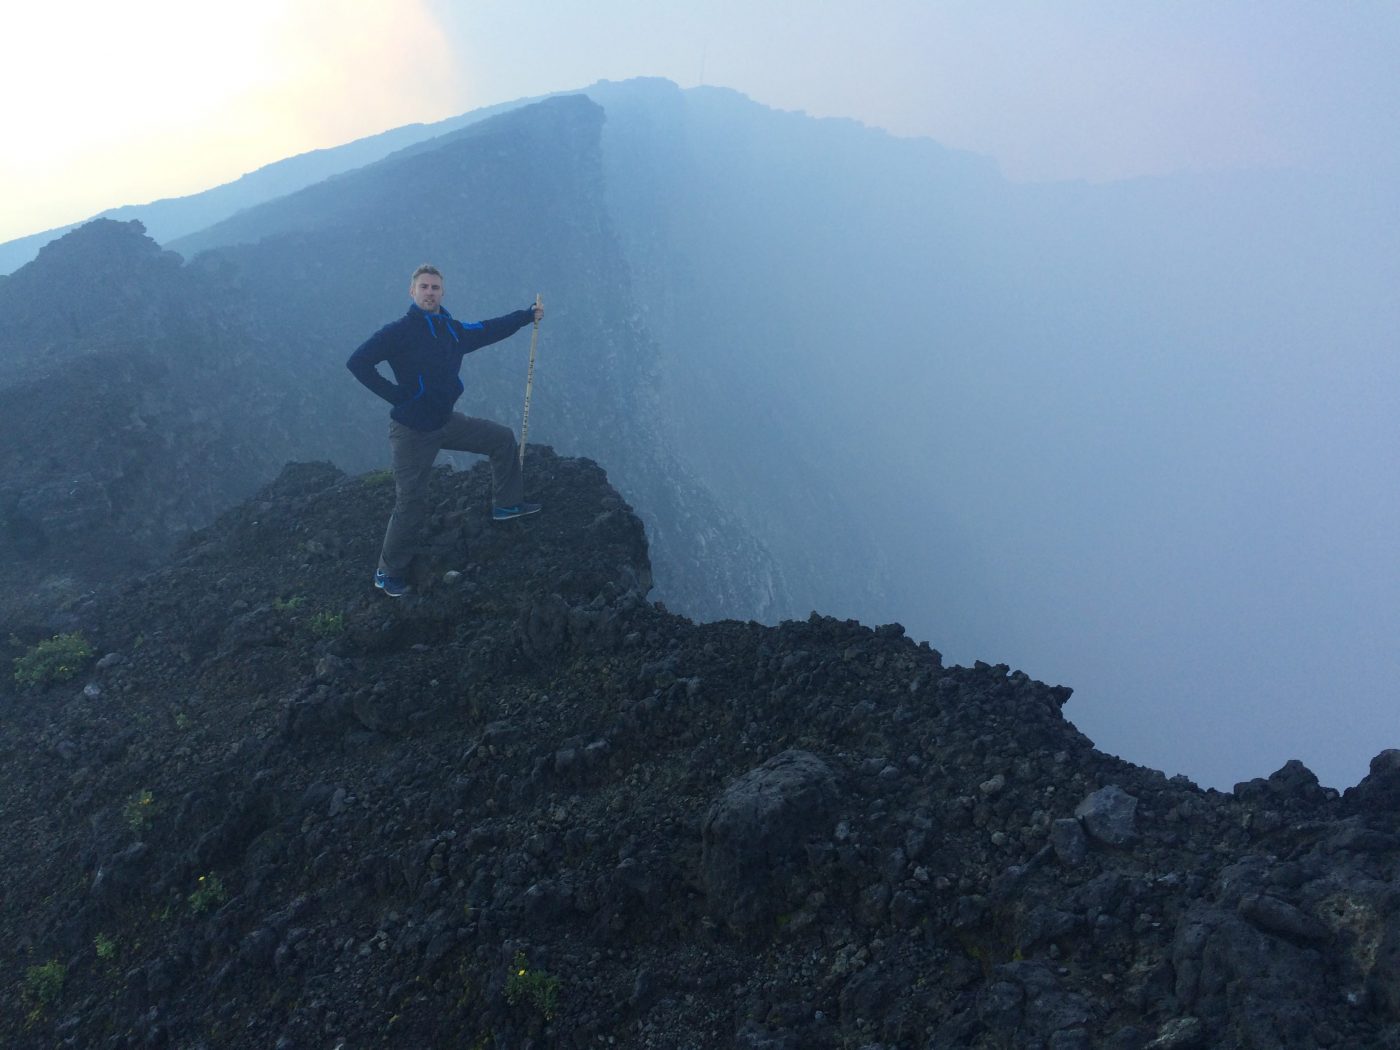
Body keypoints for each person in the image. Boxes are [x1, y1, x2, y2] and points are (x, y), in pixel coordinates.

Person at [347, 264, 543, 597]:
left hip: (445, 422)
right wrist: (397, 395)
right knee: (411, 503)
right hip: (412, 431)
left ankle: (507, 505)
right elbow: (358, 362)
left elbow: (487, 329)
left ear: (442, 293)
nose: (429, 292)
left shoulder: (451, 330)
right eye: (423, 287)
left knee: (501, 438)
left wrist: (526, 316)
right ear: (412, 292)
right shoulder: (399, 331)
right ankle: (387, 571)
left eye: (435, 287)